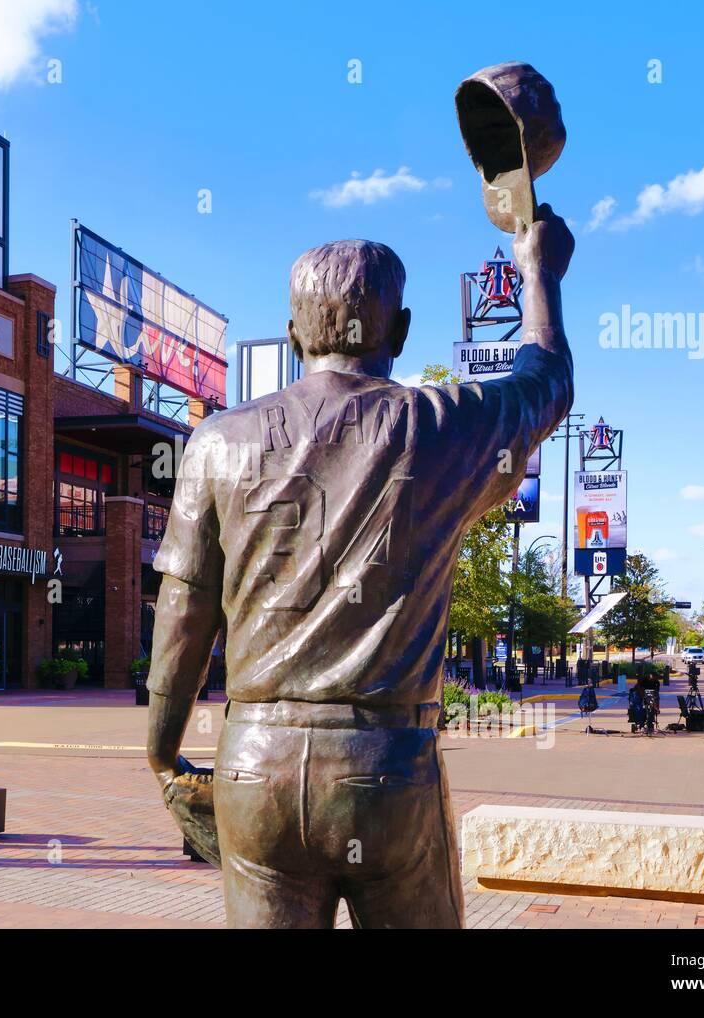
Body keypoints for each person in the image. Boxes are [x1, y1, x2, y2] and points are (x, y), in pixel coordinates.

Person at [146, 208, 575, 928]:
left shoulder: (216, 441)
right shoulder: (440, 426)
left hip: (254, 766)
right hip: (385, 767)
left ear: (292, 338)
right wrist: (540, 273)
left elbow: (183, 610)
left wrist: (163, 755)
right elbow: (546, 383)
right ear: (399, 333)